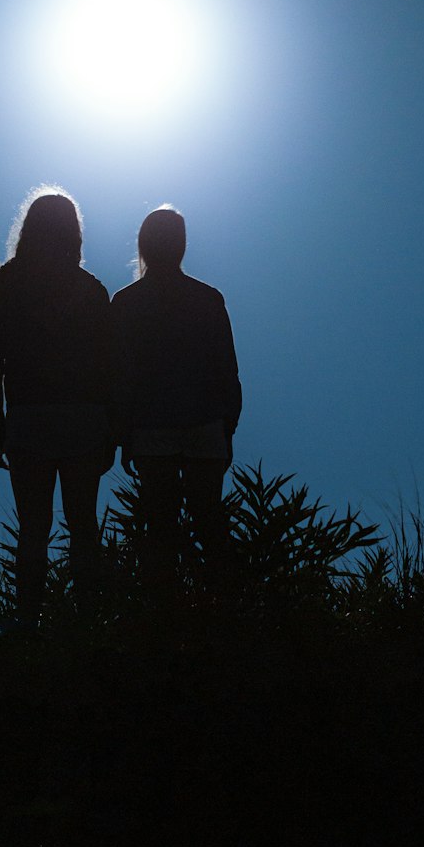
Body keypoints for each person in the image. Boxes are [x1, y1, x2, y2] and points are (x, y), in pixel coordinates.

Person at [0, 187, 114, 623]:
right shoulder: (91, 290)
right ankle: (89, 620)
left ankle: (28, 623)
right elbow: (107, 368)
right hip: (83, 422)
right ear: (74, 233)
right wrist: (110, 431)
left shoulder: (5, 284)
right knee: (84, 527)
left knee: (33, 530)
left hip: (28, 421)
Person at [110, 205, 241, 587]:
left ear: (144, 246)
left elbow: (121, 374)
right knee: (209, 521)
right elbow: (226, 369)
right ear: (181, 245)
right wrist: (227, 426)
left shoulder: (127, 303)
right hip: (204, 424)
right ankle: (224, 608)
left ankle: (163, 616)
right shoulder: (207, 298)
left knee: (160, 528)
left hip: (152, 427)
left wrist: (123, 434)